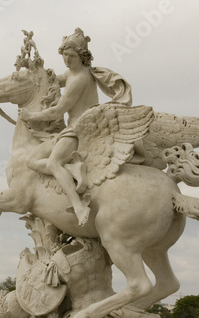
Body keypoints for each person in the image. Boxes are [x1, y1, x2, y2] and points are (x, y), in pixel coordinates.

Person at [19, 28, 132, 227]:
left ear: (81, 56)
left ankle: (79, 206)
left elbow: (58, 110)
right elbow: (55, 79)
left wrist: (31, 116)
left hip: (79, 130)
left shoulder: (80, 79)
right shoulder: (72, 72)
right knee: (30, 160)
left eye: (71, 56)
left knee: (53, 163)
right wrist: (35, 69)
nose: (67, 60)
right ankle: (72, 169)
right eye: (64, 55)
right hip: (70, 129)